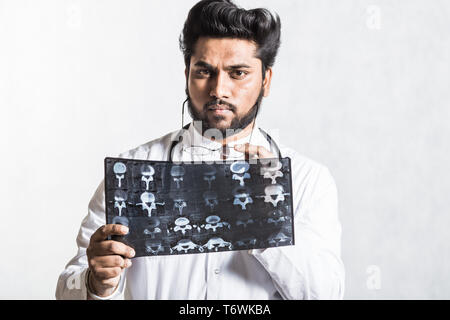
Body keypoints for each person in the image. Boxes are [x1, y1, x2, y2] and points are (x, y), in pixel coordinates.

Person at [56, 0, 345, 300]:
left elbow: (326, 294)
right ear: (187, 75)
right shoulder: (129, 174)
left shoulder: (307, 179)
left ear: (266, 80)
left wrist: (267, 225)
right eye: (204, 71)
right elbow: (67, 290)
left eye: (238, 73)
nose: (219, 89)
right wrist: (96, 283)